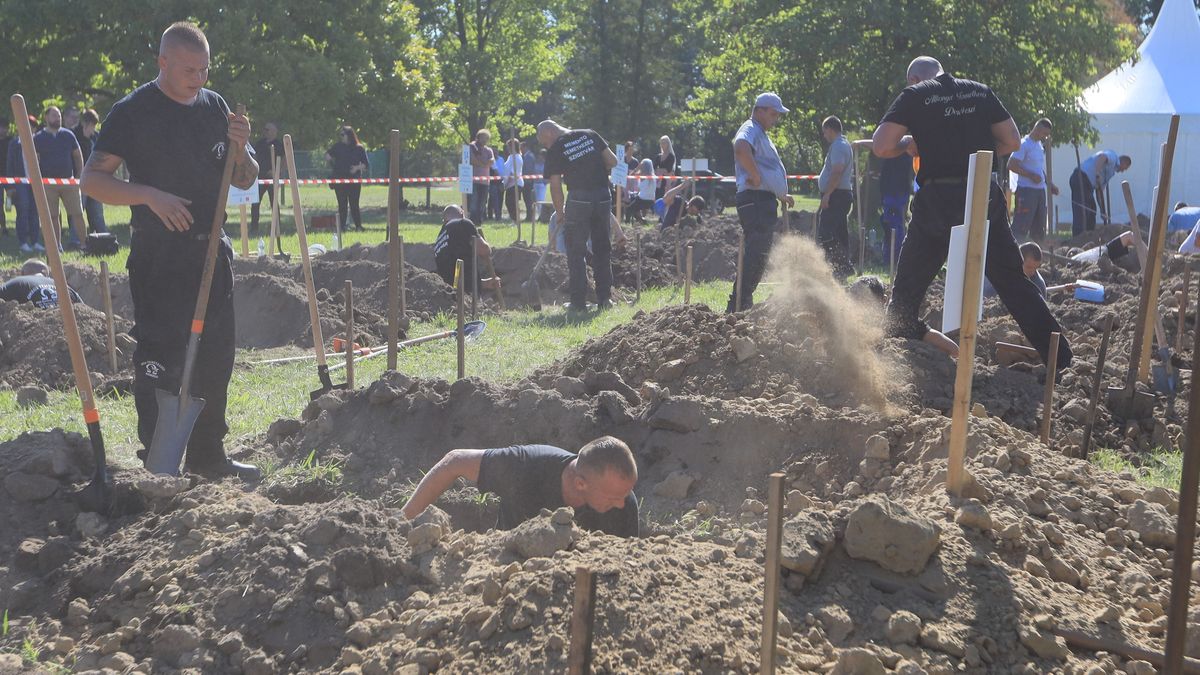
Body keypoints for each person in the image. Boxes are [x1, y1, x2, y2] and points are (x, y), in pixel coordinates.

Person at [81, 21, 260, 479]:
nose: (198, 79)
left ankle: (208, 457)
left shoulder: (216, 107)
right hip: (159, 255)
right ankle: (158, 460)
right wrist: (149, 195)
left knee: (216, 356)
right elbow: (93, 181)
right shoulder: (133, 112)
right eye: (188, 70)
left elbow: (245, 177)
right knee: (161, 355)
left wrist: (241, 150)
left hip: (211, 253)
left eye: (204, 69)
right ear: (162, 62)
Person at [870, 56, 1071, 367]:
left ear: (914, 79)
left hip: (937, 197)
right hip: (980, 191)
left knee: (907, 294)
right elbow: (1013, 141)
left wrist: (910, 143)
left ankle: (896, 358)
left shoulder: (914, 96)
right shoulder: (979, 91)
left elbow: (881, 146)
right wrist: (975, 149)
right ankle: (1061, 359)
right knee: (1013, 282)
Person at [401, 436, 639, 537]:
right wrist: (402, 523)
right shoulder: (526, 467)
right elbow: (455, 461)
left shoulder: (624, 505)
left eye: (626, 493)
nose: (621, 503)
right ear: (580, 483)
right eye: (613, 497)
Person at [538, 119, 619, 313]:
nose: (545, 146)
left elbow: (555, 185)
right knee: (602, 248)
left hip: (578, 199)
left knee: (576, 251)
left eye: (543, 142)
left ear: (549, 133)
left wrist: (560, 213)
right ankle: (605, 299)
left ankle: (578, 303)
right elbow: (613, 161)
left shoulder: (557, 147)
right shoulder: (590, 134)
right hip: (602, 196)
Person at [729, 92, 794, 313]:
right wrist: (755, 176)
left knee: (759, 253)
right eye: (773, 114)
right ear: (759, 110)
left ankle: (742, 301)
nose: (775, 119)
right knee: (756, 252)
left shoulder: (760, 133)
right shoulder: (750, 128)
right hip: (755, 199)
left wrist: (781, 194)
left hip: (762, 199)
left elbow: (768, 171)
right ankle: (737, 303)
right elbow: (740, 147)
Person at [34, 106, 86, 248]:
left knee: (77, 214)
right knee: (53, 216)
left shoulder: (68, 135)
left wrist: (79, 174)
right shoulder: (38, 138)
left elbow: (77, 155)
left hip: (69, 182)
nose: (58, 118)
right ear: (46, 118)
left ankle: (84, 245)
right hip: (48, 184)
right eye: (54, 115)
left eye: (59, 115)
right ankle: (56, 247)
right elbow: (34, 161)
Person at [817, 115, 855, 278]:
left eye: (825, 132)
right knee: (839, 232)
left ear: (831, 130)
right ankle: (843, 266)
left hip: (836, 195)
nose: (824, 136)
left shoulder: (839, 146)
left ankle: (839, 265)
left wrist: (827, 195)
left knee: (826, 232)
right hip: (840, 194)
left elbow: (837, 171)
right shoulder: (843, 144)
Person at [1007, 118, 1057, 241]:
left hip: (1040, 192)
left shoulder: (1039, 145)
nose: (1045, 137)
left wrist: (1049, 184)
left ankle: (1037, 256)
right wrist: (1030, 176)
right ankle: (1015, 253)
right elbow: (1011, 165)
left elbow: (1038, 169)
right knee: (1021, 226)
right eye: (1044, 133)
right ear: (1037, 129)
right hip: (1026, 191)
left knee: (1039, 228)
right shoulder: (1024, 144)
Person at [433, 204, 501, 290]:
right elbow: (484, 250)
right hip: (465, 294)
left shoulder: (439, 240)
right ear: (462, 214)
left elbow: (454, 278)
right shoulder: (463, 223)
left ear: (444, 220)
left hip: (449, 292)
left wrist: (484, 283)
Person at [982, 242, 1076, 298]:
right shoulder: (998, 276)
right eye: (1029, 267)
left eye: (1035, 268)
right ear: (1017, 261)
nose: (1032, 272)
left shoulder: (1038, 285)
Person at [1070, 149, 1131, 235]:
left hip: (1088, 186)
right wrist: (1097, 173)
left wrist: (1103, 211)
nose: (1123, 171)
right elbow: (1102, 157)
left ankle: (1088, 236)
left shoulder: (1111, 172)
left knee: (1092, 210)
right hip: (1081, 178)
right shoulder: (1113, 156)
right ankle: (1078, 237)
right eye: (1125, 168)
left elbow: (1099, 192)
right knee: (1082, 210)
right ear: (1124, 163)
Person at [70, 109, 108, 234]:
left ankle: (101, 237)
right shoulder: (73, 135)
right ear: (85, 123)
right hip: (79, 180)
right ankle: (76, 238)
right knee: (78, 211)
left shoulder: (96, 137)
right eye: (92, 125)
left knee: (97, 212)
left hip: (95, 180)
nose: (93, 128)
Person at [7, 131, 45, 252]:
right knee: (23, 210)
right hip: (20, 182)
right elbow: (9, 164)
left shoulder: (38, 142)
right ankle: (23, 242)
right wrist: (10, 186)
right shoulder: (14, 143)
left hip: (35, 182)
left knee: (35, 211)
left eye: (32, 126)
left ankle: (35, 241)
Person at [326, 126, 368, 232]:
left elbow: (366, 165)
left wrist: (357, 168)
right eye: (340, 135)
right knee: (342, 205)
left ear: (349, 135)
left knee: (354, 204)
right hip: (340, 180)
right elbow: (327, 155)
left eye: (343, 135)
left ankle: (358, 226)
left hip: (354, 181)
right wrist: (332, 163)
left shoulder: (359, 148)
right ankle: (342, 227)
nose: (341, 137)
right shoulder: (338, 147)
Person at [0, 259, 82, 308]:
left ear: (22, 273)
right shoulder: (64, 286)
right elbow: (86, 311)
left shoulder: (18, 282)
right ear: (46, 274)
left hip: (36, 332)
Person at [879, 154, 913, 268]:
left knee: (896, 227)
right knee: (890, 226)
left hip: (898, 194)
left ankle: (896, 257)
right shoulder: (896, 153)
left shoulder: (903, 154)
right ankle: (890, 257)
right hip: (893, 193)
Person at [250, 122, 283, 235]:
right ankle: (254, 227)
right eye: (264, 129)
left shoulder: (279, 144)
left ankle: (277, 227)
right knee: (255, 202)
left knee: (273, 202)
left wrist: (276, 172)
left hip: (272, 177)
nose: (265, 131)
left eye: (267, 129)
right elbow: (254, 157)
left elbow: (284, 161)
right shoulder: (260, 143)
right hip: (260, 177)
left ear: (274, 131)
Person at [468, 129, 494, 224]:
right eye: (483, 137)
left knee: (482, 203)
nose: (485, 140)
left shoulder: (489, 150)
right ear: (478, 137)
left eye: (487, 138)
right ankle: (472, 221)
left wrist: (482, 163)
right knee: (473, 203)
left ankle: (479, 221)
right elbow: (472, 160)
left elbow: (492, 161)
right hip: (473, 181)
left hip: (485, 182)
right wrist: (484, 164)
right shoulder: (472, 147)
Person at [628, 157, 657, 222]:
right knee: (635, 202)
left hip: (642, 199)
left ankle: (630, 221)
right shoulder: (654, 176)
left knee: (629, 208)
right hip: (651, 200)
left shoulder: (642, 175)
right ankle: (641, 220)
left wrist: (637, 168)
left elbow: (631, 175)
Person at [503, 138, 523, 225]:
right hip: (511, 183)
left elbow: (512, 172)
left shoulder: (515, 157)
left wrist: (506, 183)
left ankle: (516, 220)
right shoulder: (512, 157)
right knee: (510, 202)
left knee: (511, 202)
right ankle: (515, 219)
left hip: (514, 183)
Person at [520, 140, 536, 224]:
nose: (520, 150)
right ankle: (529, 216)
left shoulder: (529, 156)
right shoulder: (526, 156)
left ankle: (530, 217)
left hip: (527, 182)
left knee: (528, 200)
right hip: (526, 182)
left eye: (521, 148)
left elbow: (528, 170)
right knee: (527, 200)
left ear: (525, 147)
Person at [0, 120, 10, 236]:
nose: (3, 130)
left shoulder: (11, 141)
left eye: (5, 127)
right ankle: (3, 227)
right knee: (0, 204)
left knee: (17, 202)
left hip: (11, 176)